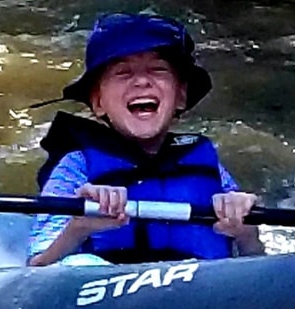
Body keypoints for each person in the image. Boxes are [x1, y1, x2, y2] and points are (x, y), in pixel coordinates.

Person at [27, 13, 265, 266]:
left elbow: (255, 264)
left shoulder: (208, 166)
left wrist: (246, 233)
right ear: (98, 102)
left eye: (158, 69)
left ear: (181, 96)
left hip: (199, 289)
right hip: (107, 290)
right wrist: (79, 227)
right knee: (80, 264)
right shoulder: (76, 167)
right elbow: (37, 268)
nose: (141, 81)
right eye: (123, 72)